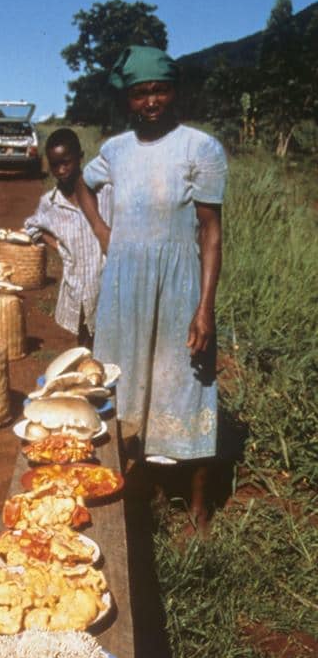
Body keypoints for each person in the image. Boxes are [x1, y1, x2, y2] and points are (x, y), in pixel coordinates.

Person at [76, 45, 228, 529]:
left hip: (180, 289)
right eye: (141, 93)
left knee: (186, 386)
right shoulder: (115, 150)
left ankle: (199, 508)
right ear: (128, 100)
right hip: (125, 290)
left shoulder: (199, 148)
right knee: (126, 384)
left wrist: (204, 308)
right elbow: (80, 182)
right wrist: (103, 232)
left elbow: (210, 233)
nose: (152, 101)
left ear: (174, 91)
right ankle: (141, 494)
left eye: (160, 90)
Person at [24, 128, 109, 346]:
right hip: (78, 289)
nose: (61, 170)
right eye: (54, 165)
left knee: (111, 343)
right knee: (85, 347)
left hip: (108, 286)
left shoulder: (104, 192)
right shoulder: (50, 203)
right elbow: (32, 227)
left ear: (80, 158)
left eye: (67, 162)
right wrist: (60, 247)